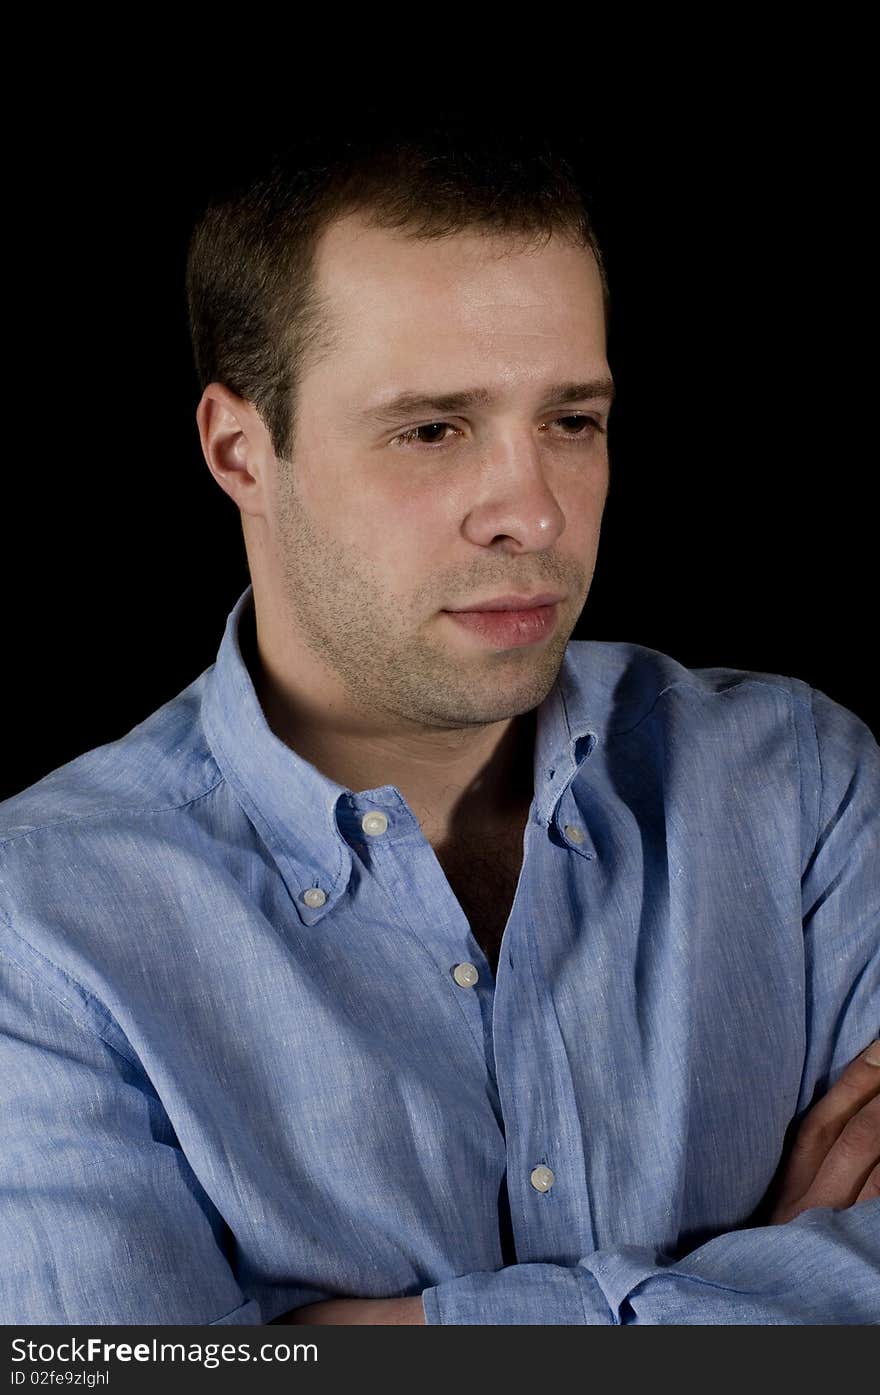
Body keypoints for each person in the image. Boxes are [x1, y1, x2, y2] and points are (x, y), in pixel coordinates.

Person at [1, 125, 877, 1327]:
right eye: (432, 429)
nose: (530, 511)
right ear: (239, 449)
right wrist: (752, 1298)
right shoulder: (36, 925)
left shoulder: (804, 792)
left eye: (572, 419)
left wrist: (392, 1336)